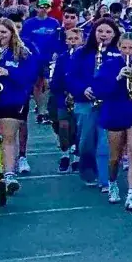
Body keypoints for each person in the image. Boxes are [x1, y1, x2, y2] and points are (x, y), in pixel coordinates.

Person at [93, 33, 132, 211]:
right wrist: (118, 78)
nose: (128, 52)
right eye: (125, 48)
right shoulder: (110, 65)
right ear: (119, 48)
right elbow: (100, 90)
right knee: (115, 157)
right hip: (115, 113)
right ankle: (112, 183)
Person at [0, 18, 39, 191]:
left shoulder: (23, 52)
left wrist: (9, 72)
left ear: (12, 34)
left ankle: (9, 175)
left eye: (3, 32)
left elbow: (30, 77)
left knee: (8, 136)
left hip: (11, 100)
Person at [66, 19, 118, 191]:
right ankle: (88, 170)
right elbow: (71, 77)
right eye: (100, 31)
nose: (104, 35)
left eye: (108, 32)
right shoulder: (82, 53)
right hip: (85, 102)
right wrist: (82, 89)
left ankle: (105, 179)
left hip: (110, 103)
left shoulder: (118, 52)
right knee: (86, 141)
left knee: (105, 143)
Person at [49, 27, 83, 173]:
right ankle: (65, 154)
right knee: (63, 126)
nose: (73, 42)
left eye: (76, 39)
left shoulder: (85, 57)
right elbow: (56, 79)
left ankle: (77, 156)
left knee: (78, 128)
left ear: (81, 40)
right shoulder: (62, 57)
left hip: (80, 97)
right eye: (70, 39)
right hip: (63, 96)